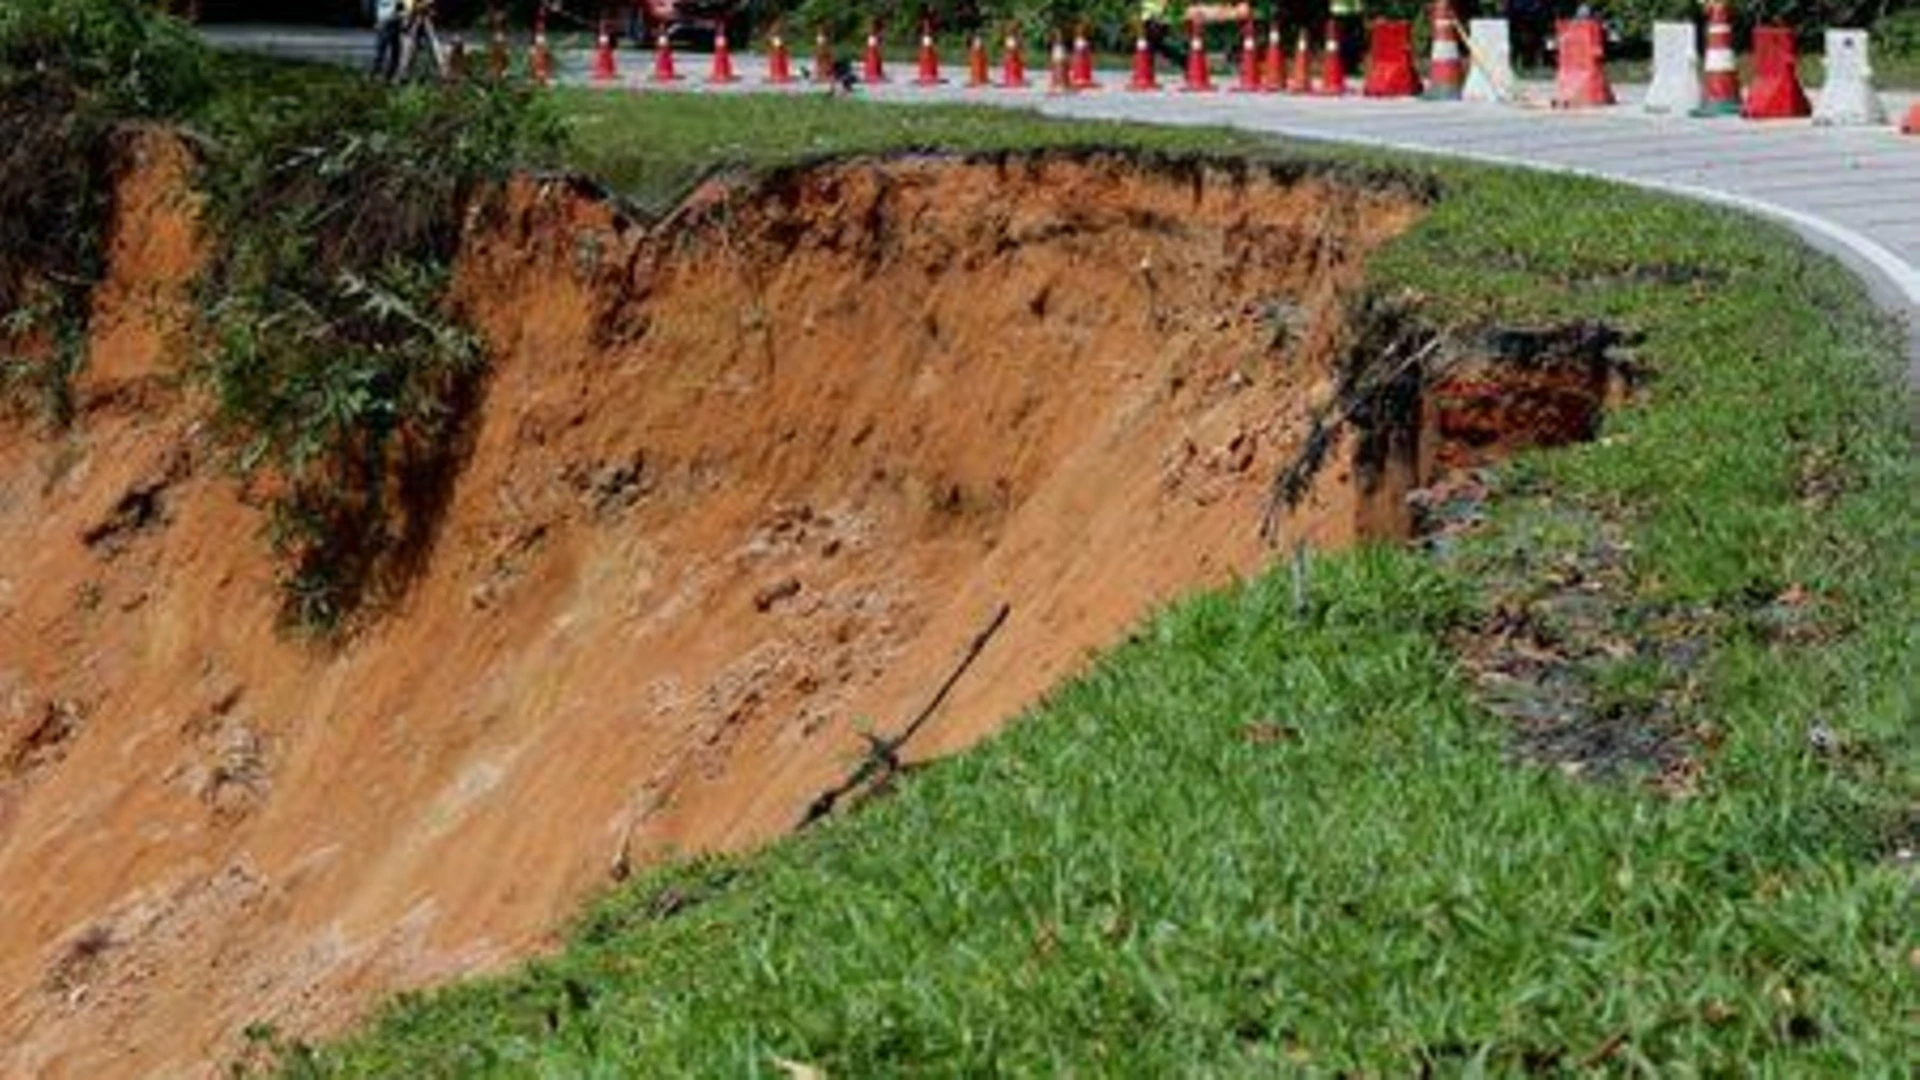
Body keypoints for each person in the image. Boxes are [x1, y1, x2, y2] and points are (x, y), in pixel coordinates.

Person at [372, 0, 406, 81]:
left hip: (389, 19)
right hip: (389, 19)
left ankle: (383, 73)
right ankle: (382, 73)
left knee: (387, 48)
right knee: (389, 49)